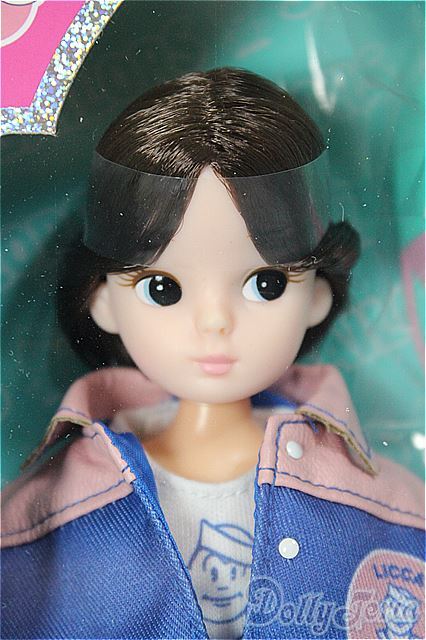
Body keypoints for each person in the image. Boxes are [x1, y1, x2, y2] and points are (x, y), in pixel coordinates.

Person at [1, 68, 424, 640]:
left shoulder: (390, 507)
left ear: (317, 296)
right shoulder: (37, 518)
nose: (215, 323)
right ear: (102, 302)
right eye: (162, 289)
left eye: (266, 284)